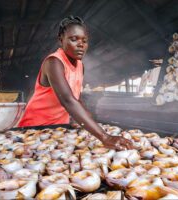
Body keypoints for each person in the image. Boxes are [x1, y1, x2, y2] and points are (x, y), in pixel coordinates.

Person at [18, 16, 133, 150]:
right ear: (61, 40)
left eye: (85, 41)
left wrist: (85, 121)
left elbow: (76, 98)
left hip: (59, 128)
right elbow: (68, 100)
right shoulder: (54, 62)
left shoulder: (80, 66)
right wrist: (104, 137)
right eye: (74, 39)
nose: (81, 45)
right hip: (35, 129)